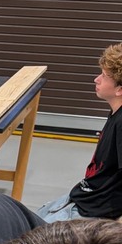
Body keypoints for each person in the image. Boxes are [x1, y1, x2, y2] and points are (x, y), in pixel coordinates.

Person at [37, 43, 122, 222]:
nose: (96, 79)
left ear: (119, 90)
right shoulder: (115, 112)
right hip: (83, 196)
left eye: (104, 76)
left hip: (93, 211)